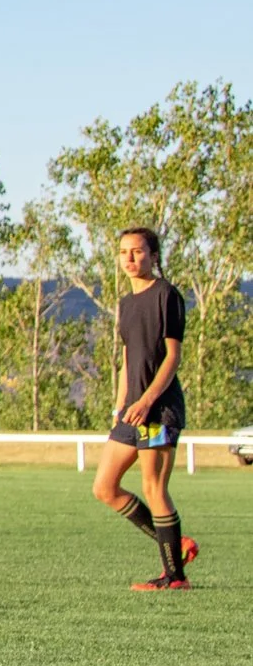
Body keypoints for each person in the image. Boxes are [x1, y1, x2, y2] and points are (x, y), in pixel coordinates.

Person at [90, 226, 198, 590]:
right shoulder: (125, 303)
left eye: (137, 252)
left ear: (154, 256)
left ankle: (175, 577)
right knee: (105, 487)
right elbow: (127, 356)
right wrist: (122, 403)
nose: (130, 259)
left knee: (154, 488)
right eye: (124, 252)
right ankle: (176, 545)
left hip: (158, 409)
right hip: (132, 411)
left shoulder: (166, 295)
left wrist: (147, 400)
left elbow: (173, 356)